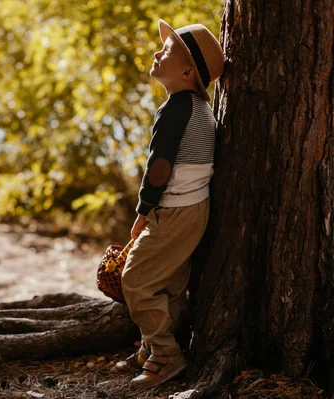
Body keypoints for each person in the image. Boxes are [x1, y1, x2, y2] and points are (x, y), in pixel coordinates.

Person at [117, 19, 225, 388]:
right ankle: (154, 349)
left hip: (175, 209)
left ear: (186, 71)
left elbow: (160, 168)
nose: (155, 52)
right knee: (170, 285)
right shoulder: (201, 109)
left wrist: (143, 210)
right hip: (195, 208)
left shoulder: (176, 109)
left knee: (135, 279)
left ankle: (165, 356)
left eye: (165, 50)